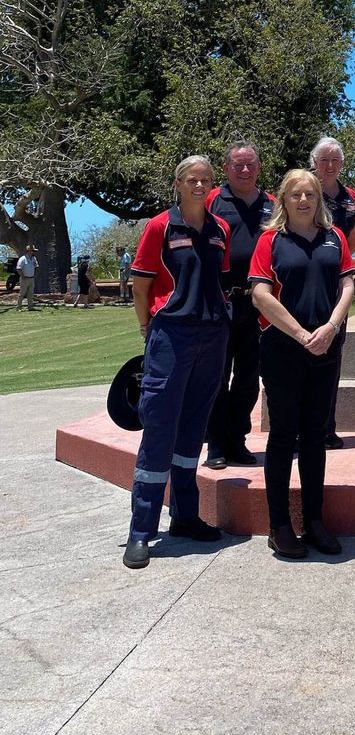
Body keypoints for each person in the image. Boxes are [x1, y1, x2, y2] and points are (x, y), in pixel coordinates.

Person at [122, 156, 231, 570]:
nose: (199, 185)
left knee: (193, 430)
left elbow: (217, 278)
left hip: (212, 335)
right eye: (192, 179)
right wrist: (148, 328)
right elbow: (141, 284)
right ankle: (141, 531)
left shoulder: (221, 229)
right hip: (171, 334)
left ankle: (185, 517)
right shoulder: (158, 226)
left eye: (205, 179)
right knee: (160, 429)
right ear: (179, 184)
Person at [250, 169, 355, 559]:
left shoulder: (335, 238)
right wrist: (300, 334)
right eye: (295, 194)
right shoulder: (270, 241)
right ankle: (279, 526)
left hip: (325, 348)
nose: (304, 200)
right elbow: (260, 294)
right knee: (282, 437)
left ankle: (314, 522)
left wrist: (330, 327)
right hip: (283, 349)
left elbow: (347, 284)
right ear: (284, 200)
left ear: (318, 200)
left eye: (310, 194)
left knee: (315, 437)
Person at [204, 143, 275, 469]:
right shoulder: (212, 200)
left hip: (258, 308)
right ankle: (216, 444)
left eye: (250, 165)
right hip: (220, 305)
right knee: (216, 378)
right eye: (238, 165)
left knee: (248, 380)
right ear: (226, 168)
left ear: (259, 168)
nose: (244, 171)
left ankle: (237, 440)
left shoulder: (272, 205)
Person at [309, 136, 355, 450]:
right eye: (324, 160)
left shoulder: (349, 197)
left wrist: (337, 263)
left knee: (331, 357)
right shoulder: (303, 190)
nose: (329, 166)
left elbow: (352, 238)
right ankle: (302, 427)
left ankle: (326, 427)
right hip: (305, 280)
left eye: (335, 161)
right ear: (314, 161)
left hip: (335, 284)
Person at [15, 245, 38, 311]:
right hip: (24, 279)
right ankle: (19, 307)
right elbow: (18, 268)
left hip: (31, 278)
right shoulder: (23, 258)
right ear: (29, 251)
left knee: (30, 293)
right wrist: (23, 276)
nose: (34, 252)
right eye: (33, 250)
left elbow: (36, 266)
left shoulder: (34, 258)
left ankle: (30, 307)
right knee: (22, 293)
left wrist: (34, 274)